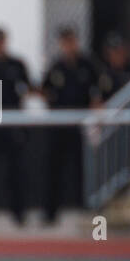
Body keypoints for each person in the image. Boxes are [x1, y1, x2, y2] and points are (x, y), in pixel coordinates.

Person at [41, 27, 101, 225]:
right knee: (54, 168)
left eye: (71, 41)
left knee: (82, 167)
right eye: (65, 42)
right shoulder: (56, 66)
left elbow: (98, 91)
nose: (69, 46)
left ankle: (87, 208)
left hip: (81, 125)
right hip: (59, 126)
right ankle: (50, 212)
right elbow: (45, 91)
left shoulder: (88, 65)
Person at [0, 27, 34, 226]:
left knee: (16, 171)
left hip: (13, 124)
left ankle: (18, 213)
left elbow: (29, 90)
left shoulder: (17, 64)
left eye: (2, 40)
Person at [96, 33, 130, 102]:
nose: (118, 55)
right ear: (107, 54)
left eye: (120, 51)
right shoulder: (102, 73)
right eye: (115, 52)